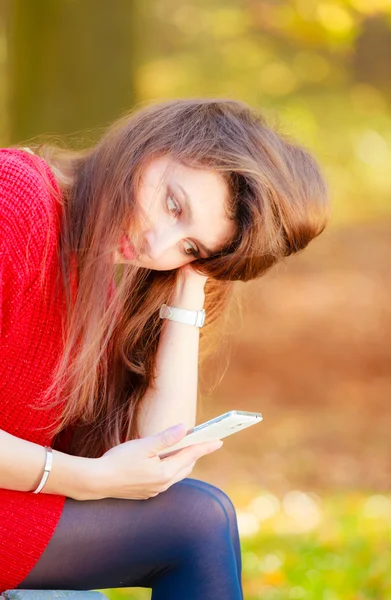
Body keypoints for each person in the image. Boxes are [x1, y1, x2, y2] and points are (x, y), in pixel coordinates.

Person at [0, 98, 329, 599]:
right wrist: (88, 479)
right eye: (174, 205)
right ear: (151, 146)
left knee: (196, 513)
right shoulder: (16, 197)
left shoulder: (92, 285)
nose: (158, 246)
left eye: (191, 246)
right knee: (196, 522)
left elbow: (159, 450)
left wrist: (191, 284)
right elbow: (112, 478)